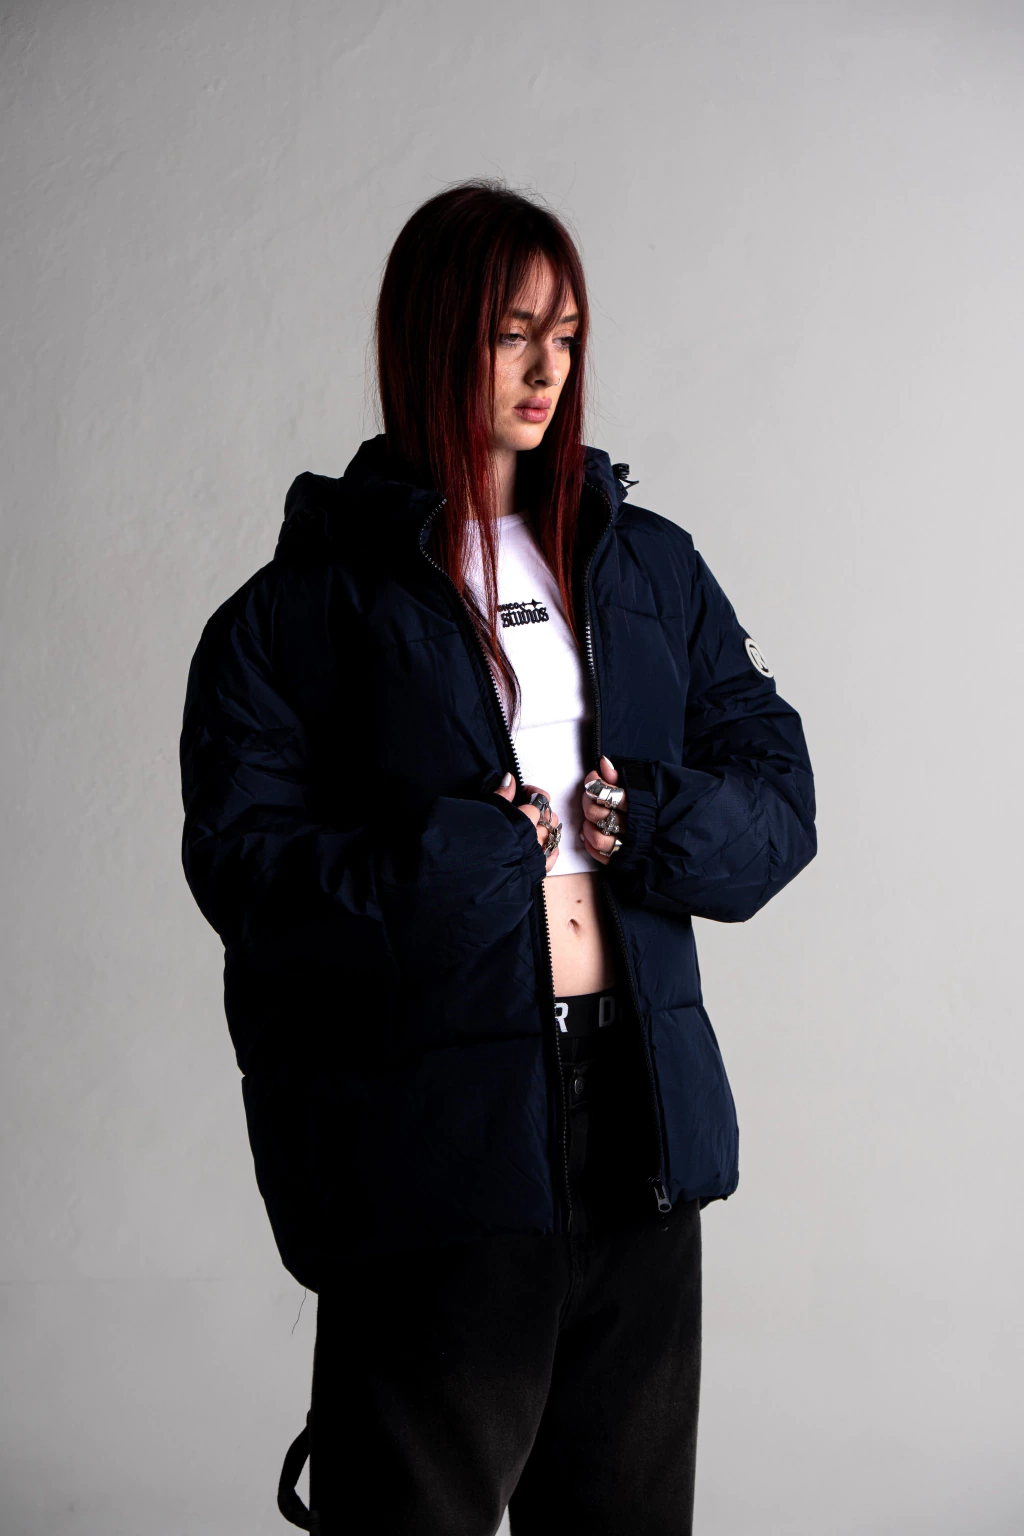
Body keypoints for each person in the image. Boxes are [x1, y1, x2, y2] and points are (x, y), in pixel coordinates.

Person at [179, 180, 816, 1536]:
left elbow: (778, 800)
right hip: (436, 1146)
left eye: (567, 335)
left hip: (640, 1124)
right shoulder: (299, 613)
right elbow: (250, 877)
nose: (547, 369)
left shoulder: (649, 569)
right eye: (511, 333)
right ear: (432, 339)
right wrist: (470, 859)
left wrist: (650, 822)